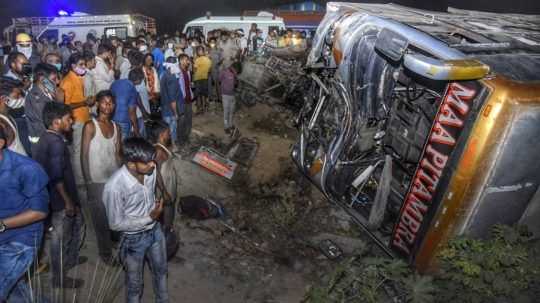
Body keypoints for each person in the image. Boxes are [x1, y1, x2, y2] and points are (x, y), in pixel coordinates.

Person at [103, 137, 168, 303]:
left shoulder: (150, 172)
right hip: (132, 241)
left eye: (153, 160)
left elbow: (150, 194)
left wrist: (154, 212)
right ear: (131, 164)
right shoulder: (115, 187)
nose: (153, 165)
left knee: (161, 271)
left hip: (155, 231)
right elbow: (115, 224)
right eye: (147, 162)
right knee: (134, 285)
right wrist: (148, 218)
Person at [34, 102, 85, 289]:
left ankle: (71, 259)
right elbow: (56, 177)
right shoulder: (56, 144)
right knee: (59, 240)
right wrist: (68, 202)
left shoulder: (46, 138)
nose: (71, 122)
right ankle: (59, 277)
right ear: (56, 122)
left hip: (53, 198)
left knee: (73, 227)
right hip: (59, 201)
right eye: (68, 119)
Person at [0, 123, 49, 302]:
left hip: (21, 242)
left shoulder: (27, 169)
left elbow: (39, 212)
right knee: (16, 294)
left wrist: (2, 224)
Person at [81, 90, 122, 264]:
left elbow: (119, 154)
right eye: (104, 102)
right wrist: (88, 180)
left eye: (111, 103)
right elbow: (83, 155)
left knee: (115, 216)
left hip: (113, 180)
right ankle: (105, 255)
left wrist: (123, 178)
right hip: (96, 180)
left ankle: (113, 244)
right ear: (97, 104)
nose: (108, 106)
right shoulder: (90, 126)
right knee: (101, 220)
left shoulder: (116, 127)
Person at [61, 53, 93, 187]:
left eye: (84, 64)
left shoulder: (78, 77)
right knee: (77, 151)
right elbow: (65, 105)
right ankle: (79, 181)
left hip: (84, 117)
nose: (84, 67)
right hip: (76, 120)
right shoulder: (67, 81)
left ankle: (85, 175)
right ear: (73, 66)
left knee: (84, 149)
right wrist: (84, 102)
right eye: (81, 65)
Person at [147, 120, 178, 231]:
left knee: (168, 212)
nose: (170, 134)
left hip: (168, 185)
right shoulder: (158, 151)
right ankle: (165, 234)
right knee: (165, 215)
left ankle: (166, 229)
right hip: (164, 189)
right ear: (161, 135)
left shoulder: (163, 147)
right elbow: (156, 173)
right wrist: (164, 192)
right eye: (168, 133)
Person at [25, 63, 60, 156]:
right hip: (41, 144)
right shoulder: (35, 98)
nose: (57, 82)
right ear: (42, 79)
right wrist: (59, 102)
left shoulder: (47, 92)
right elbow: (48, 120)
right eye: (53, 79)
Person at [111, 68, 143, 139]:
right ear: (138, 80)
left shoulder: (115, 83)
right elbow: (132, 112)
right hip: (123, 121)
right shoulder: (132, 88)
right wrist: (136, 131)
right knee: (124, 146)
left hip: (112, 119)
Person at [0, 77, 27, 155]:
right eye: (17, 96)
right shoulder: (2, 125)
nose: (21, 98)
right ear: (4, 99)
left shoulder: (7, 115)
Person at [160, 57, 181, 145]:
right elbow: (172, 99)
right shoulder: (172, 78)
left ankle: (167, 147)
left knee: (166, 130)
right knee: (172, 130)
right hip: (170, 110)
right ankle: (173, 147)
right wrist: (176, 113)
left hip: (164, 107)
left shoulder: (164, 74)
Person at [178, 54, 193, 145]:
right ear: (180, 61)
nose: (187, 62)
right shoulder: (177, 72)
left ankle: (186, 137)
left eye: (187, 60)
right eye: (185, 60)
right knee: (182, 121)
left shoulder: (187, 71)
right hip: (182, 100)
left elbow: (187, 84)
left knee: (189, 119)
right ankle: (181, 139)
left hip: (188, 98)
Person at [219, 63, 238, 137]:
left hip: (232, 95)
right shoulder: (224, 72)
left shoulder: (235, 73)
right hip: (225, 95)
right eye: (235, 70)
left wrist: (235, 79)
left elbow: (236, 84)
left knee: (231, 111)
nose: (236, 71)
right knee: (226, 112)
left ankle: (230, 124)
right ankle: (226, 127)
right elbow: (219, 80)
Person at [193, 46, 211, 114]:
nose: (199, 52)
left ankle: (200, 107)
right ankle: (202, 107)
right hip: (203, 78)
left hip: (198, 78)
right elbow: (209, 70)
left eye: (200, 50)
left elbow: (194, 69)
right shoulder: (208, 59)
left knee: (200, 93)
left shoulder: (197, 60)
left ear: (203, 51)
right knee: (202, 93)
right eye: (198, 50)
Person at [208, 38, 222, 103]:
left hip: (216, 69)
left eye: (213, 42)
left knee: (217, 84)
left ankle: (219, 98)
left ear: (216, 43)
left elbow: (222, 59)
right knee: (209, 84)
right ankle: (210, 97)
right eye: (211, 42)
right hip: (209, 69)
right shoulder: (207, 50)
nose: (212, 44)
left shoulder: (218, 50)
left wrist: (218, 64)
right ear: (209, 43)